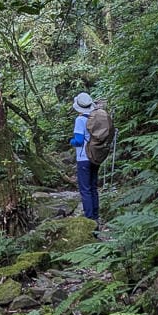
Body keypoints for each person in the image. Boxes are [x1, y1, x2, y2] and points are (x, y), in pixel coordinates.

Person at [69, 91, 99, 222]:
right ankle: (96, 216)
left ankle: (89, 218)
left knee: (85, 189)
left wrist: (71, 141)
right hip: (96, 156)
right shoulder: (95, 118)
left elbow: (79, 140)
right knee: (93, 187)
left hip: (83, 158)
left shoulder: (80, 120)